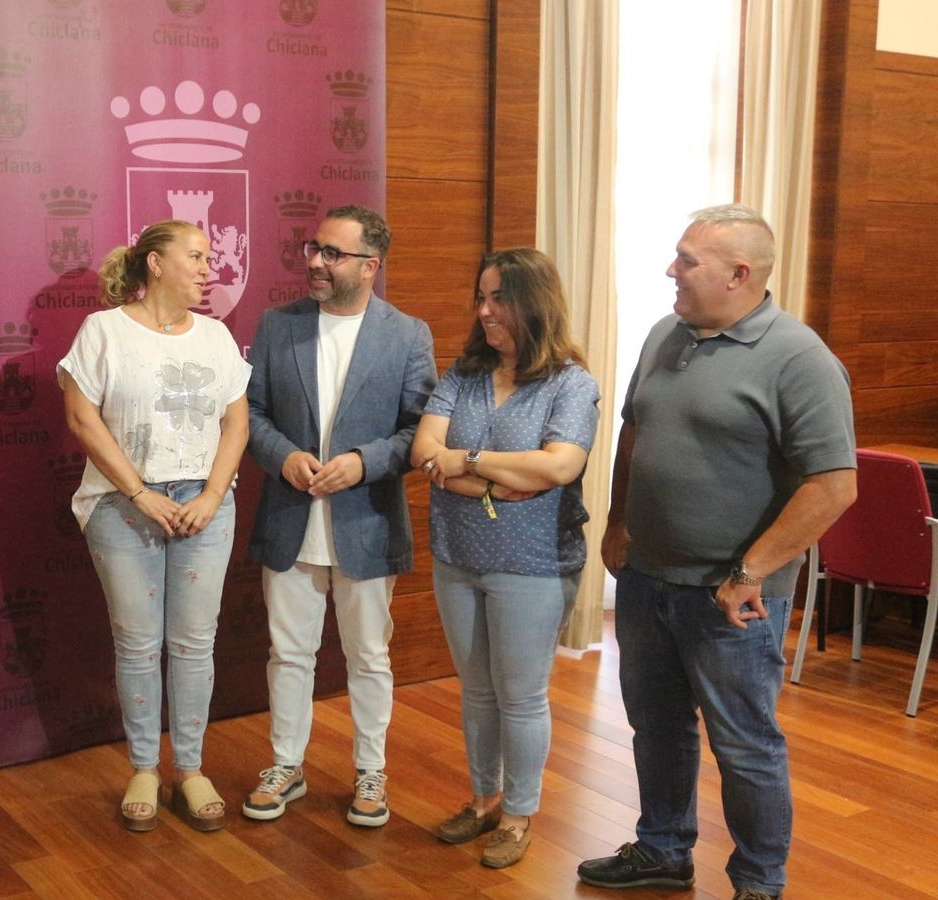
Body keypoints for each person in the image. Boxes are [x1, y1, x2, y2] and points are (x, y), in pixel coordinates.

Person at [577, 205, 857, 900]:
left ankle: (760, 882)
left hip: (732, 598)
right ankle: (664, 851)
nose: (671, 271)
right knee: (657, 727)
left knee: (744, 746)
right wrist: (617, 520)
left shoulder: (801, 359)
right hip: (647, 579)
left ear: (739, 275)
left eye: (686, 260)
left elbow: (833, 486)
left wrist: (750, 571)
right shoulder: (664, 335)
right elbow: (634, 433)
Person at [240, 204, 436, 828]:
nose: (315, 262)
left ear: (370, 266)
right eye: (313, 249)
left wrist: (363, 461)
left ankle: (370, 772)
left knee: (369, 656)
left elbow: (420, 430)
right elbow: (251, 415)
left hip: (366, 520)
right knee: (288, 653)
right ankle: (285, 765)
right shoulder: (278, 325)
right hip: (290, 517)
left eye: (332, 253)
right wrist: (283, 456)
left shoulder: (408, 335)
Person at [58, 220, 250, 834]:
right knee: (138, 644)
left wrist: (214, 495)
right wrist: (139, 492)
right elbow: (83, 419)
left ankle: (190, 770)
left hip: (204, 506)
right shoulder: (104, 330)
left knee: (194, 643)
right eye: (194, 255)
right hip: (121, 507)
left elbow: (236, 424)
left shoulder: (217, 337)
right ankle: (144, 766)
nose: (206, 266)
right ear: (155, 264)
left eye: (208, 257)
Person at [409, 248, 599, 868]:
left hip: (534, 562)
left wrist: (464, 462)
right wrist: (492, 479)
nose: (485, 311)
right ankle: (484, 799)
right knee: (477, 692)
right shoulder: (463, 374)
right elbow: (423, 452)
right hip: (458, 554)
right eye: (481, 298)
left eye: (499, 299)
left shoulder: (571, 383)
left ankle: (518, 815)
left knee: (520, 696)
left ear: (533, 303)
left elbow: (560, 466)